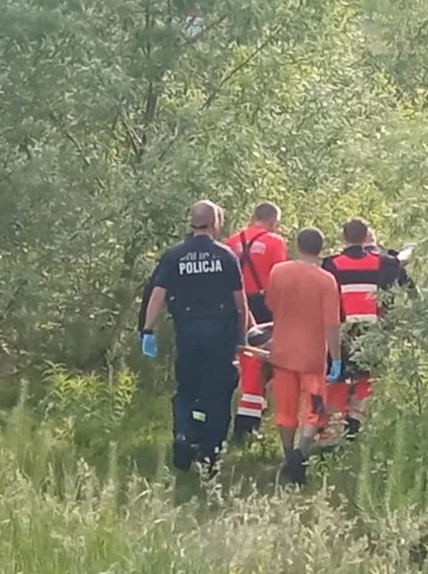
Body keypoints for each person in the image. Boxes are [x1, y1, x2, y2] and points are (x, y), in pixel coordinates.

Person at [139, 201, 252, 475]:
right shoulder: (226, 256)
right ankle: (209, 454)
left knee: (186, 389)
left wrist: (147, 330)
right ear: (215, 222)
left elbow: (157, 294)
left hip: (187, 333)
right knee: (218, 392)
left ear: (192, 223)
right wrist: (245, 334)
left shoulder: (174, 255)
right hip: (219, 336)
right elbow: (240, 302)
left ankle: (184, 434)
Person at [263, 227, 343, 485]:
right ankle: (302, 452)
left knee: (285, 410)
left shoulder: (279, 272)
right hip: (312, 356)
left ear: (297, 245)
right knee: (314, 407)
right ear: (321, 249)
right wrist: (337, 358)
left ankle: (289, 458)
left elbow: (271, 305)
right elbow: (332, 324)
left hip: (283, 353)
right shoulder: (326, 280)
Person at [321, 218, 404, 440]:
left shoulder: (331, 263)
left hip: (342, 331)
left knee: (338, 379)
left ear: (343, 237)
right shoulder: (386, 262)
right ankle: (355, 421)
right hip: (373, 331)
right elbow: (397, 280)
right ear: (367, 236)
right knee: (366, 377)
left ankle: (332, 432)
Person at [224, 201, 288, 440]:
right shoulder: (275, 242)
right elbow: (279, 278)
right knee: (260, 362)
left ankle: (239, 414)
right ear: (272, 220)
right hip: (263, 305)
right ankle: (249, 422)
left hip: (234, 305)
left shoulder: (231, 241)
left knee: (241, 358)